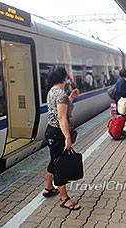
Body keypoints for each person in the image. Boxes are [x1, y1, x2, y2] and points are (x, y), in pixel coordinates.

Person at [44, 65, 81, 210]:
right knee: (60, 165)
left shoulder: (52, 91)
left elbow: (59, 109)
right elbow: (61, 117)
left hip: (51, 131)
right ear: (64, 78)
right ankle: (64, 199)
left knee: (54, 160)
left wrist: (71, 97)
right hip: (58, 133)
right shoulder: (61, 94)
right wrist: (67, 137)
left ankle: (48, 188)